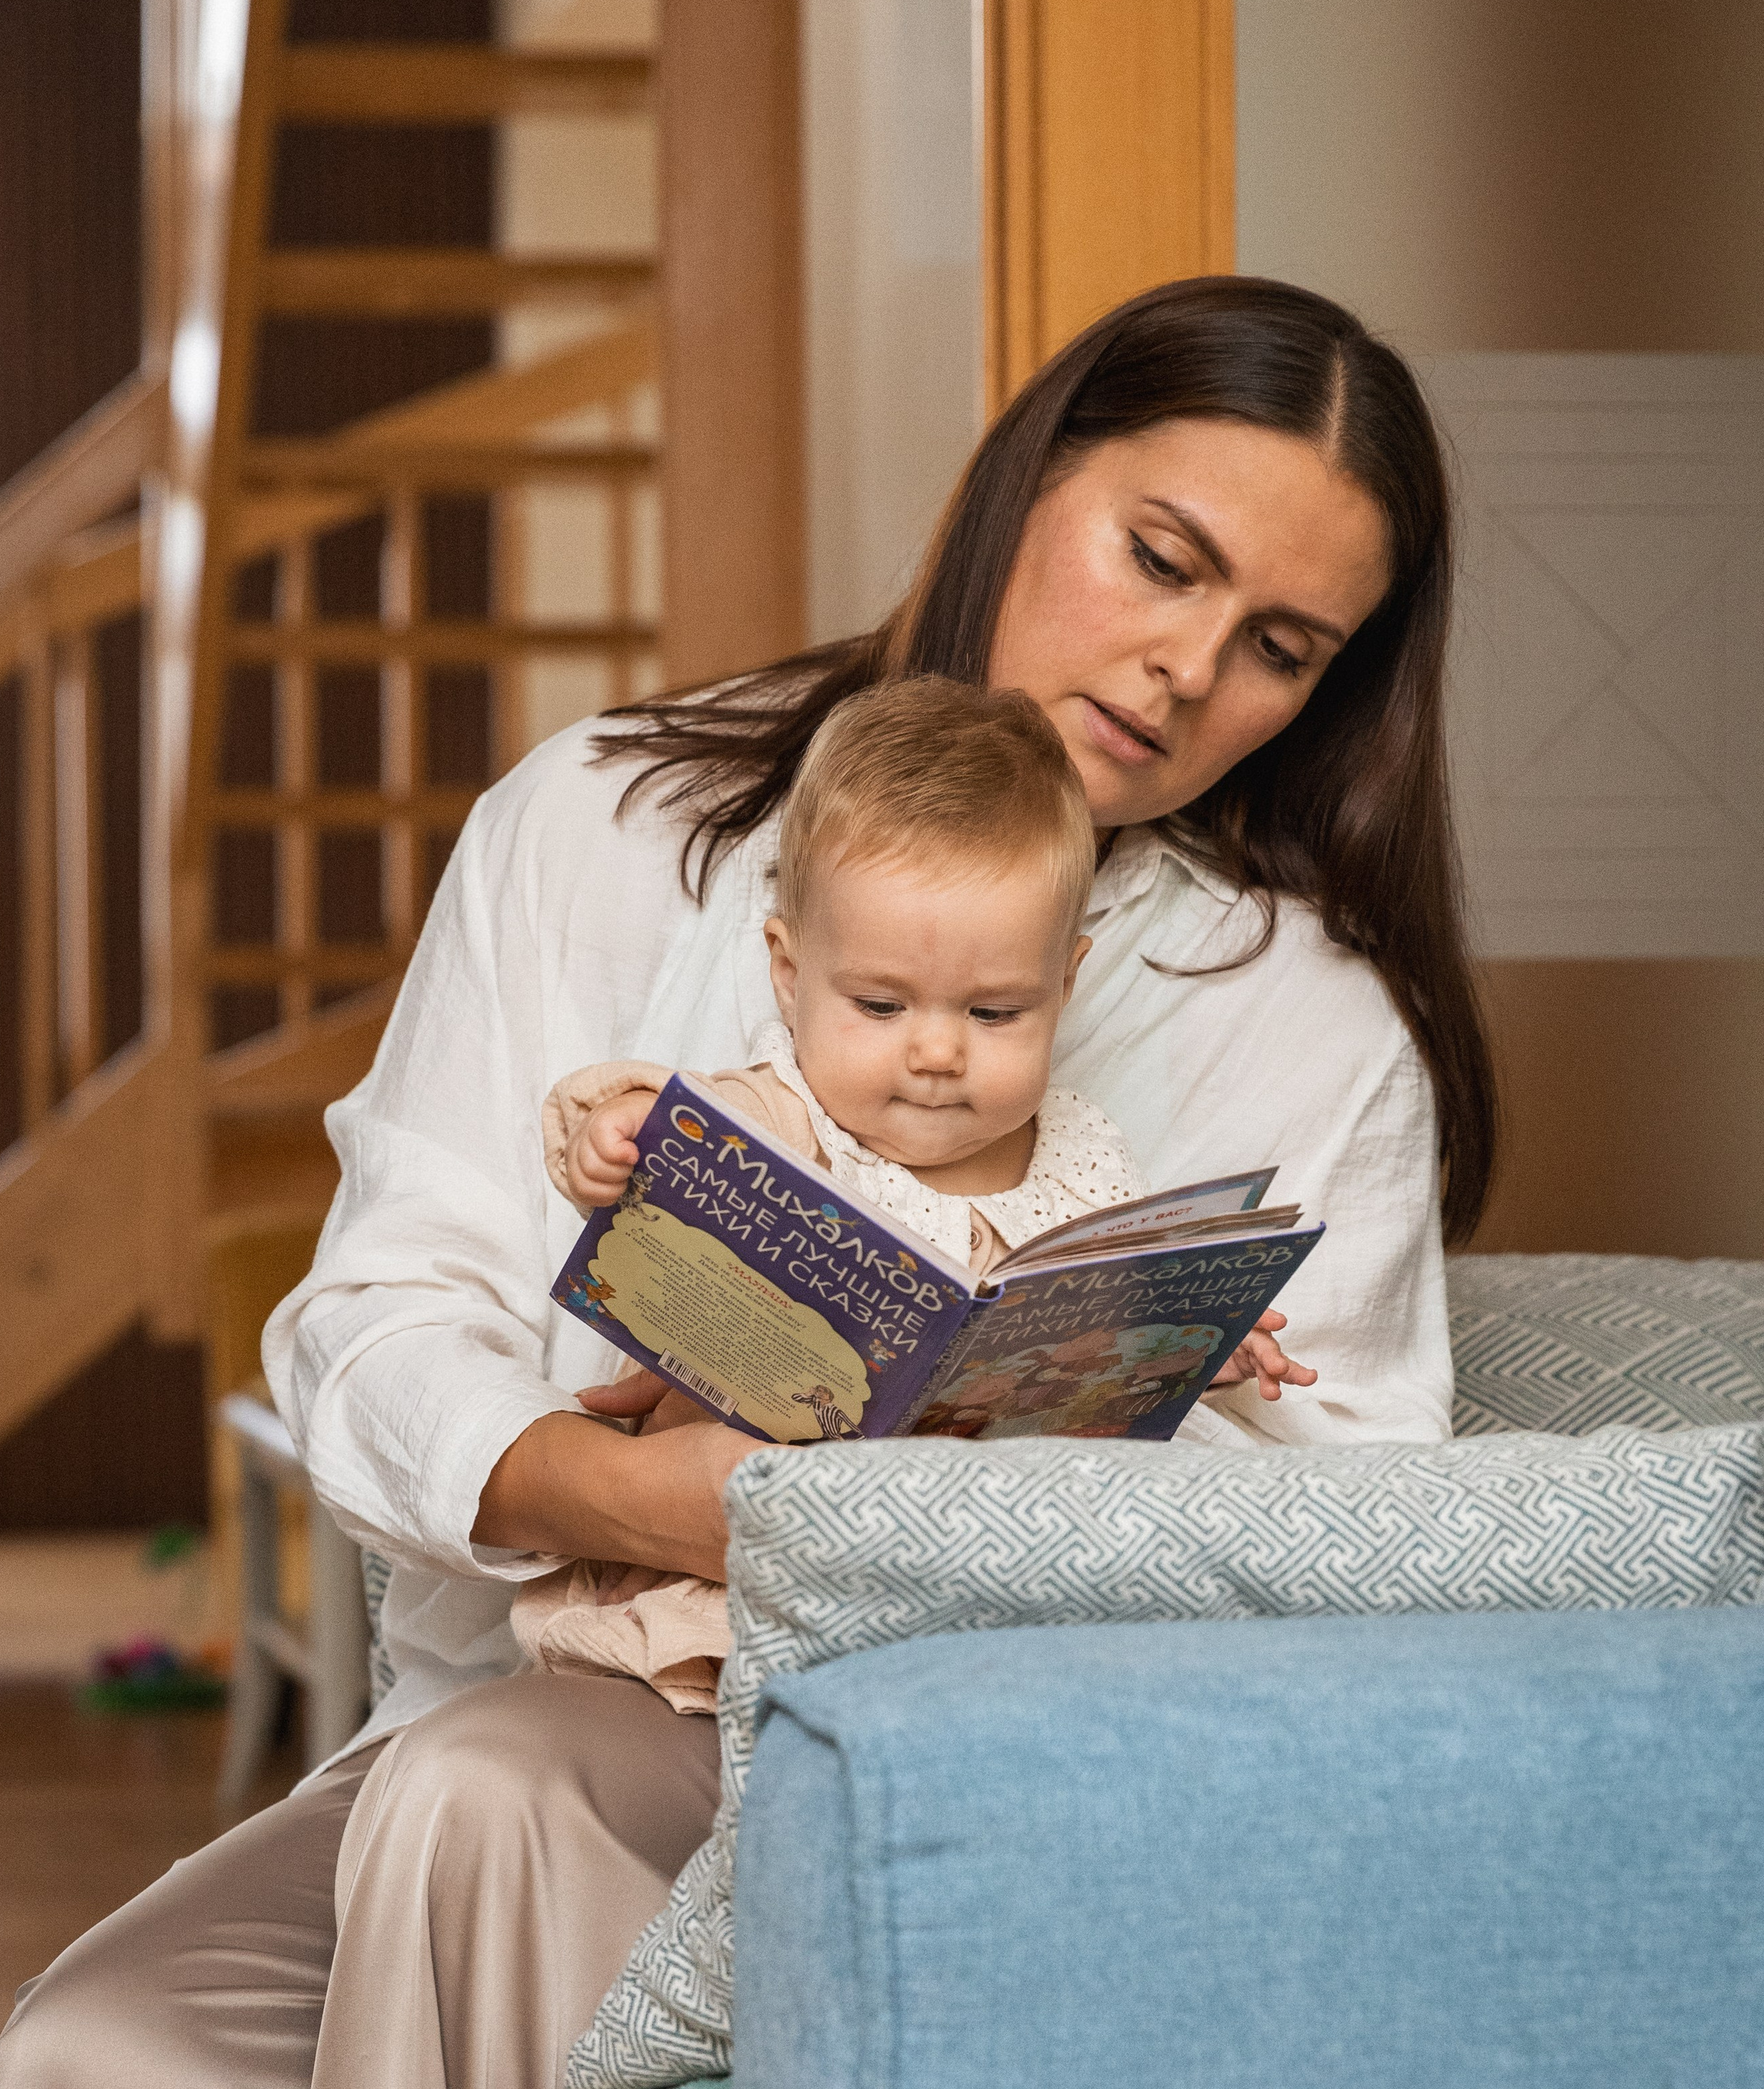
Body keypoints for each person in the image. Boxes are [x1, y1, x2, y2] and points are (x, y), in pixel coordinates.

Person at [0, 275, 1497, 2089]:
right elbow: (379, 1315)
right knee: (92, 2088)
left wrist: (1037, 1466)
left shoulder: (1301, 1027)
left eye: (1280, 651)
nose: (1185, 670)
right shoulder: (602, 824)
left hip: (961, 1779)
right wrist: (604, 1487)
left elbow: (1360, 1541)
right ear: (1031, 479)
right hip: (556, 1675)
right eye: (1164, 559)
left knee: (491, 1806)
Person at [519, 675, 1315, 1712]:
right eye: (882, 1004)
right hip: (762, 1576)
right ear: (790, 972)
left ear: (1064, 987)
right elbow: (650, 1128)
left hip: (979, 1588)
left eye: (994, 1013)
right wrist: (611, 1140)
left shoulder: (1078, 1158)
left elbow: (1107, 1347)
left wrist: (1194, 1338)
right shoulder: (781, 1122)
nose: (937, 1051)